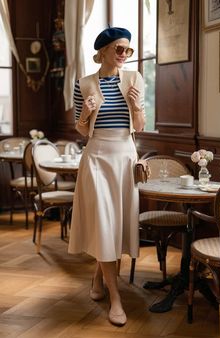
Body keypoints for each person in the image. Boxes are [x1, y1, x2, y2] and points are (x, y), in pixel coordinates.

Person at [68, 26, 145, 326]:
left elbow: (138, 125)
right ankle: (116, 298)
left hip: (125, 156)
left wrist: (137, 105)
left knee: (117, 226)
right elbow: (82, 129)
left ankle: (97, 280)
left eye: (128, 49)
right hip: (97, 156)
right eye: (119, 49)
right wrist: (85, 114)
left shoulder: (134, 78)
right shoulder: (84, 83)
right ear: (102, 52)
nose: (124, 55)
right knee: (103, 222)